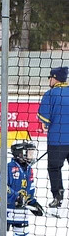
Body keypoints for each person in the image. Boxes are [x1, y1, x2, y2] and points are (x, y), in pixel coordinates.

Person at [37, 66, 69, 210]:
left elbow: (45, 119)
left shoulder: (50, 94)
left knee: (54, 168)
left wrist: (45, 124)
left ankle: (58, 195)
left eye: (50, 77)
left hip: (57, 141)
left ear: (54, 78)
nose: (49, 80)